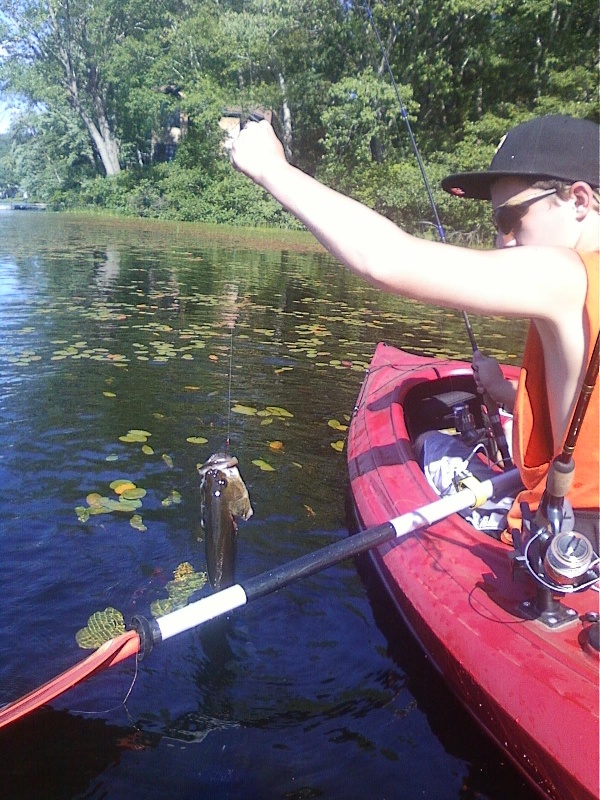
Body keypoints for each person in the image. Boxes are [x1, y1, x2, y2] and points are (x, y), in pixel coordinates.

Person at [230, 114, 599, 543]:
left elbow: (386, 259)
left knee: (431, 448)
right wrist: (503, 393)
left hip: (576, 542)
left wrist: (273, 170)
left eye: (510, 220)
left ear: (578, 200)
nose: (503, 242)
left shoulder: (570, 275)